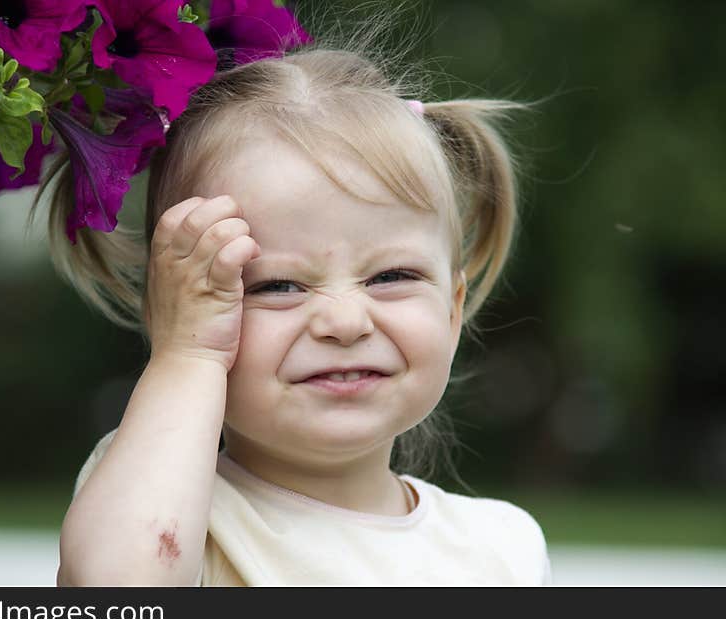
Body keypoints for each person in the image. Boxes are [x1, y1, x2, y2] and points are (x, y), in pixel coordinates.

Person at [51, 38, 551, 586]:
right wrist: (188, 356)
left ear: (452, 311)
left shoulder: (503, 548)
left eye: (392, 277)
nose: (344, 323)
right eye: (279, 286)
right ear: (176, 314)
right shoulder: (169, 507)